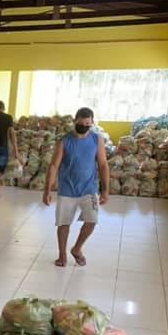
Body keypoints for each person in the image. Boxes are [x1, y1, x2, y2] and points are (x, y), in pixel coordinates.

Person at [43, 107, 110, 268]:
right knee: (63, 223)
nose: (84, 126)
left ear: (92, 123)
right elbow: (53, 166)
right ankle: (62, 255)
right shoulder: (65, 141)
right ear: (75, 121)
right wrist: (47, 190)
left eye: (88, 123)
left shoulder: (97, 140)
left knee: (92, 221)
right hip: (67, 189)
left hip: (89, 189)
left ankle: (77, 248)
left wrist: (105, 190)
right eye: (81, 123)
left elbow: (103, 165)